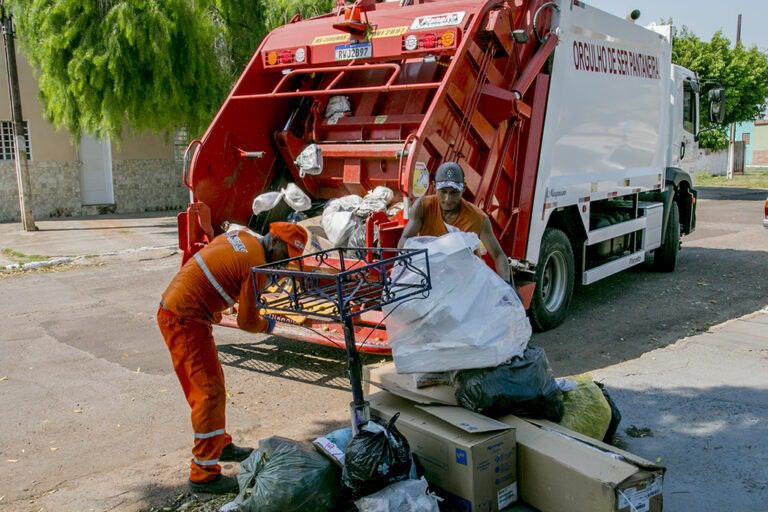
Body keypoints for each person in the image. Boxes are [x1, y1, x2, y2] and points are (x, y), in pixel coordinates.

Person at [157, 222, 308, 494]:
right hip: (184, 320)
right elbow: (248, 322)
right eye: (283, 257)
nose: (282, 265)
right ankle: (203, 476)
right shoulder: (255, 264)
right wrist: (272, 325)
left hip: (185, 313)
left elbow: (219, 268)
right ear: (273, 241)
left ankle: (220, 444)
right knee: (208, 395)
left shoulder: (242, 237)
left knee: (213, 387)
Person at [398, 161, 512, 282]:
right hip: (431, 275)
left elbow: (499, 256)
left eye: (454, 192)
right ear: (434, 186)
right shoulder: (422, 206)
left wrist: (507, 286)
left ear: (463, 188)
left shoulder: (478, 218)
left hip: (464, 280)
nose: (448, 199)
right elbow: (405, 241)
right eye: (443, 192)